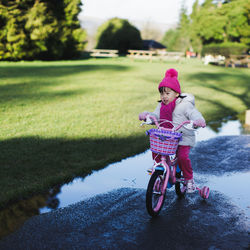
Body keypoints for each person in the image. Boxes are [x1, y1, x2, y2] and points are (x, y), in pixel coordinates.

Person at [139, 68, 206, 193]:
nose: (164, 97)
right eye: (162, 94)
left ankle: (189, 179)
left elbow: (194, 113)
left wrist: (198, 121)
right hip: (168, 137)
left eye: (167, 93)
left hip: (183, 136)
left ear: (176, 93)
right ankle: (158, 166)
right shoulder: (161, 105)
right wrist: (147, 116)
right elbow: (156, 115)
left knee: (182, 157)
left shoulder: (184, 105)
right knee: (157, 150)